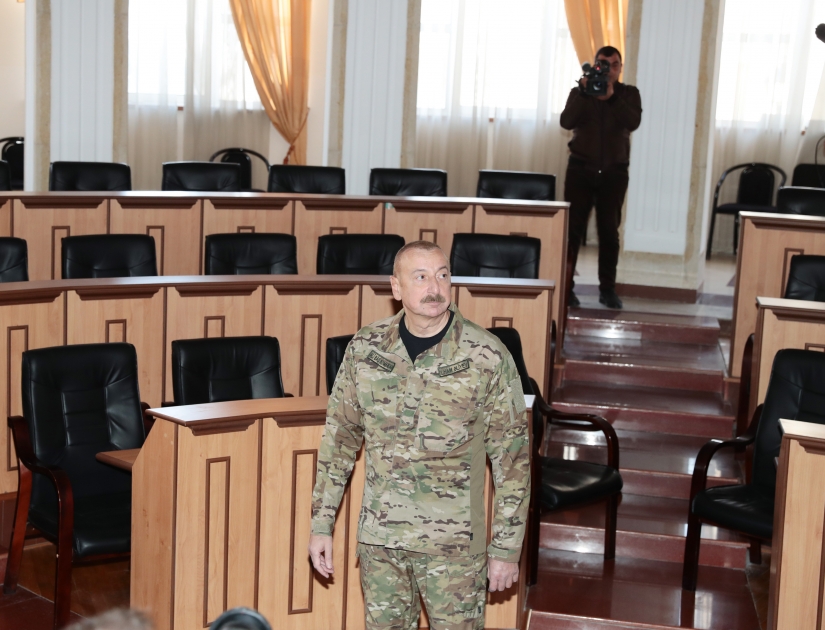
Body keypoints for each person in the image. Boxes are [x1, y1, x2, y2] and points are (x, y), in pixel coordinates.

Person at [308, 240, 530, 630]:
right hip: (382, 544)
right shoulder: (366, 348)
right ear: (396, 288)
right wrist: (321, 525)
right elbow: (338, 442)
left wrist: (507, 550)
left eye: (443, 275)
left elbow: (512, 464)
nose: (435, 287)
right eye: (421, 277)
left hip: (454, 552)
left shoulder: (486, 356)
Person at [560, 45, 643, 310]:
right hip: (580, 170)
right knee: (572, 232)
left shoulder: (629, 94)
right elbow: (566, 121)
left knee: (609, 232)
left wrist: (611, 98)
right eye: (603, 65)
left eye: (614, 65)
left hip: (614, 173)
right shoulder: (580, 92)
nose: (608, 70)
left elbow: (633, 122)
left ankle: (607, 289)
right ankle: (566, 289)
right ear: (595, 65)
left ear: (620, 68)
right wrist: (586, 92)